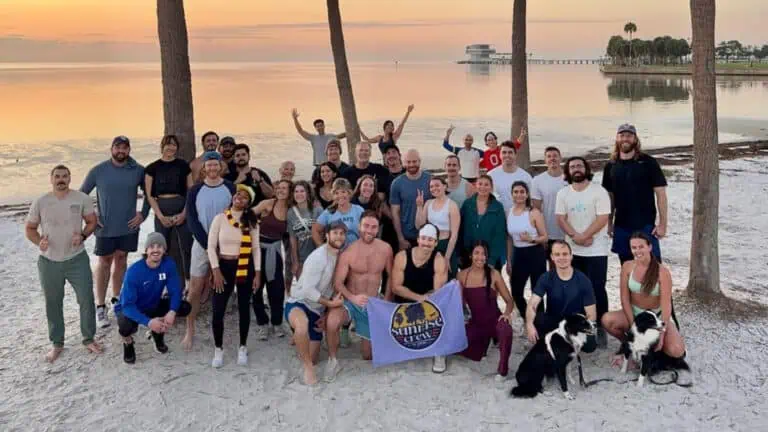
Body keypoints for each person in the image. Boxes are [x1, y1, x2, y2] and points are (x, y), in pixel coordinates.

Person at [26, 165, 103, 363]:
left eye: (65, 176)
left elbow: (92, 222)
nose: (61, 179)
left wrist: (83, 235)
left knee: (86, 299)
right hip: (49, 261)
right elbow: (30, 228)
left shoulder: (81, 198)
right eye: (57, 176)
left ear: (70, 179)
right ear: (51, 179)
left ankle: (88, 338)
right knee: (53, 303)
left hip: (76, 259)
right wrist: (39, 241)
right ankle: (57, 343)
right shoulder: (41, 201)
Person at [80, 135, 149, 328]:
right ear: (111, 149)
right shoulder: (98, 171)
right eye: (118, 147)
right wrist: (91, 215)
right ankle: (100, 306)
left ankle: (116, 300)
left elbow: (150, 194)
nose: (121, 151)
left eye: (125, 148)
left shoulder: (137, 170)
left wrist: (142, 214)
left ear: (129, 150)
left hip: (128, 226)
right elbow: (81, 195)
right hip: (105, 227)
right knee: (104, 262)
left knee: (121, 260)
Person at [325, 211, 394, 380]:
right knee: (332, 321)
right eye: (366, 226)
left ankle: (355, 331)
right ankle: (332, 360)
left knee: (367, 355)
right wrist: (353, 298)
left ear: (378, 229)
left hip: (371, 303)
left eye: (373, 227)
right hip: (350, 300)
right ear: (359, 226)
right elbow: (338, 283)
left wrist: (385, 301)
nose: (369, 230)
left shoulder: (385, 249)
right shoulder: (348, 250)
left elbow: (391, 276)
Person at [601, 231, 686, 362]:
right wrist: (633, 327)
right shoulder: (627, 266)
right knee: (607, 320)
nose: (637, 251)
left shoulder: (662, 272)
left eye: (641, 247)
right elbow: (624, 299)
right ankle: (629, 345)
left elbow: (666, 305)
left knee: (676, 350)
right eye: (634, 248)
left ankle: (653, 347)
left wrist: (662, 334)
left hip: (656, 316)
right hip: (635, 312)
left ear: (650, 247)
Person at [182, 151, 237, 350]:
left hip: (225, 245)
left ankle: (219, 331)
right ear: (204, 168)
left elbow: (235, 215)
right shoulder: (195, 190)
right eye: (209, 165)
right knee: (195, 289)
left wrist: (221, 243)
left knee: (221, 288)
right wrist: (208, 243)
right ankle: (190, 329)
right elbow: (192, 219)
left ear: (220, 166)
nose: (212, 168)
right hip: (202, 244)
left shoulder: (230, 187)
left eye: (216, 165)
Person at [555, 156, 611, 347]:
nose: (576, 169)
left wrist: (586, 235)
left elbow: (603, 217)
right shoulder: (563, 193)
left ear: (586, 169)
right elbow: (561, 218)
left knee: (597, 288)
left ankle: (600, 327)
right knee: (575, 290)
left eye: (580, 165)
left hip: (596, 249)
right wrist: (576, 236)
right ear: (568, 172)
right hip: (573, 251)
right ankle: (578, 326)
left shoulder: (599, 191)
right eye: (572, 167)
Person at [284, 221, 347, 385]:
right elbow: (307, 290)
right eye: (335, 233)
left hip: (317, 309)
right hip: (300, 302)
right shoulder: (318, 257)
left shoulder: (340, 258)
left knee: (313, 356)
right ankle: (307, 369)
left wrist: (326, 312)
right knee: (302, 325)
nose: (338, 236)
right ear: (327, 236)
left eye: (342, 233)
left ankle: (299, 338)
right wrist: (331, 304)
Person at [116, 233, 193, 364]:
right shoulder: (134, 271)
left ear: (164, 250)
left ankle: (158, 333)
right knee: (124, 326)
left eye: (159, 246)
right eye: (152, 247)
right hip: (133, 308)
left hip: (153, 303)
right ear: (146, 250)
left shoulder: (168, 264)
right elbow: (127, 305)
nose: (156, 250)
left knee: (184, 307)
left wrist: (172, 311)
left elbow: (175, 291)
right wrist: (148, 322)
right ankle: (128, 342)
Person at [207, 184, 262, 367]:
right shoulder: (220, 218)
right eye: (238, 194)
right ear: (233, 197)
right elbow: (211, 247)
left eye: (245, 197)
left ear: (248, 203)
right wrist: (215, 270)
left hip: (244, 265)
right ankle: (218, 348)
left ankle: (242, 346)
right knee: (218, 310)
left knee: (244, 307)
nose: (240, 198)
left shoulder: (252, 221)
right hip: (223, 265)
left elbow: (255, 249)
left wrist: (257, 273)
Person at [602, 124, 668, 264]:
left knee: (653, 267)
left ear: (635, 139)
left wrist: (663, 224)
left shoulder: (648, 162)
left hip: (645, 224)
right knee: (627, 267)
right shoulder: (611, 166)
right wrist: (609, 222)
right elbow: (610, 197)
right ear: (617, 139)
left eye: (629, 136)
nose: (625, 139)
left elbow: (661, 194)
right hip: (621, 224)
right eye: (622, 135)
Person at [390, 224, 449, 373]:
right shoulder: (402, 256)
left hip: (429, 301)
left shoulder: (439, 260)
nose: (426, 243)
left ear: (435, 243)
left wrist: (425, 300)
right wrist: (418, 297)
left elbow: (438, 292)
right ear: (417, 239)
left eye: (430, 240)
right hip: (406, 301)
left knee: (444, 308)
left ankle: (439, 352)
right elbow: (395, 287)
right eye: (423, 238)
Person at [524, 240, 598, 354]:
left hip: (575, 322)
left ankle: (566, 342)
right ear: (552, 257)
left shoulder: (583, 280)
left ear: (571, 256)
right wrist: (529, 324)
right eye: (557, 254)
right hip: (554, 320)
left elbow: (591, 314)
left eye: (565, 254)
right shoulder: (546, 277)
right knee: (537, 319)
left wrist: (576, 331)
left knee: (590, 346)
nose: (561, 258)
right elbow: (533, 304)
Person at [144, 135, 194, 292]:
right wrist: (159, 216)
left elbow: (190, 191)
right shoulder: (152, 168)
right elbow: (149, 195)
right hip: (161, 209)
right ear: (162, 147)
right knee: (160, 248)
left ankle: (189, 283)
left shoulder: (183, 166)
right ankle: (163, 284)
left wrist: (184, 214)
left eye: (174, 145)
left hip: (181, 206)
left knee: (186, 245)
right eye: (168, 145)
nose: (171, 148)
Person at [458, 241, 514, 378]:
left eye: (484, 254)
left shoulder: (494, 274)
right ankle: (485, 341)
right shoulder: (461, 276)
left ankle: (503, 368)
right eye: (476, 253)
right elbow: (459, 304)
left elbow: (509, 301)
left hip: (495, 320)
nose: (480, 257)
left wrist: (506, 314)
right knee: (459, 348)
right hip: (476, 323)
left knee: (506, 330)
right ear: (471, 255)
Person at [250, 180, 291, 340]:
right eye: (278, 188)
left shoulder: (291, 210)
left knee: (277, 289)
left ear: (290, 191)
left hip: (275, 250)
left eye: (284, 188)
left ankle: (277, 322)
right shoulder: (267, 204)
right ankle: (262, 323)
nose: (281, 191)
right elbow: (248, 215)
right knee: (256, 288)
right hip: (258, 249)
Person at [506, 181, 549, 319]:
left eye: (522, 192)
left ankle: (541, 320)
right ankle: (528, 317)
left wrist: (532, 239)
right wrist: (509, 260)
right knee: (516, 290)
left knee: (537, 290)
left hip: (535, 253)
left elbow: (545, 237)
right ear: (512, 194)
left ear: (527, 194)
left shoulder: (534, 212)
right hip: (518, 254)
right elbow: (509, 239)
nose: (519, 195)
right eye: (516, 192)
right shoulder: (509, 212)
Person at [458, 175, 507, 271]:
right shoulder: (467, 204)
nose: (483, 187)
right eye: (480, 184)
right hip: (468, 256)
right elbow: (460, 230)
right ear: (476, 186)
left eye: (486, 185)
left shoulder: (498, 207)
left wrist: (492, 260)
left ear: (491, 188)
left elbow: (500, 234)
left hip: (490, 256)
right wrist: (459, 253)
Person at [531, 146, 568, 268]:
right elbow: (536, 209)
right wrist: (541, 234)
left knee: (568, 266)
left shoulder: (570, 179)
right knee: (552, 266)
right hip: (549, 232)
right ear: (545, 160)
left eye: (555, 156)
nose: (552, 159)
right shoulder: (538, 180)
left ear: (560, 158)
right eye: (549, 156)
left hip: (569, 232)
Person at [415, 177, 460, 274]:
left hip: (445, 246)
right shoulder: (428, 203)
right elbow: (419, 226)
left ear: (444, 186)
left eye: (437, 185)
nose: (434, 188)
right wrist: (419, 206)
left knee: (448, 277)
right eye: (431, 187)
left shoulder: (452, 205)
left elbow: (454, 235)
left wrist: (447, 257)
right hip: (430, 246)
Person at [390, 149, 432, 250]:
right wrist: (400, 239)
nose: (412, 164)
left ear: (420, 161)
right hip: (407, 236)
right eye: (408, 162)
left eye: (414, 161)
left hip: (427, 235)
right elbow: (395, 213)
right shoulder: (397, 183)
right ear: (404, 163)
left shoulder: (430, 180)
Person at [286, 181, 322, 291]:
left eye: (302, 191)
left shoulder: (317, 210)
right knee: (303, 289)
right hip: (302, 257)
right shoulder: (291, 212)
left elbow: (324, 233)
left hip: (317, 257)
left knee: (318, 290)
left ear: (307, 193)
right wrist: (295, 261)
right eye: (296, 191)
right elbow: (293, 239)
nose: (299, 194)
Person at [312, 178, 365, 248]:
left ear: (349, 193)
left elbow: (367, 230)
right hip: (336, 255)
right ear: (333, 195)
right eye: (336, 193)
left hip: (356, 253)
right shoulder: (329, 212)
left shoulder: (358, 210)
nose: (340, 195)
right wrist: (322, 248)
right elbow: (315, 230)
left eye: (343, 192)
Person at [488, 140, 533, 215]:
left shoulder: (526, 176)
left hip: (519, 218)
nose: (507, 155)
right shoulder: (491, 175)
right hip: (497, 218)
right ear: (500, 155)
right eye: (504, 152)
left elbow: (531, 200)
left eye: (510, 152)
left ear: (515, 155)